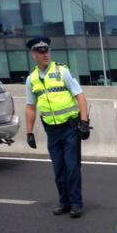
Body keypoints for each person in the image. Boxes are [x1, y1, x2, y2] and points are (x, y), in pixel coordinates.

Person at [25, 37, 90, 219]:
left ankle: (76, 203)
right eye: (41, 51)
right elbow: (30, 107)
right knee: (58, 169)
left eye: (47, 50)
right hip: (51, 131)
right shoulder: (32, 80)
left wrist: (84, 122)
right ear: (33, 55)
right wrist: (29, 132)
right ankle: (64, 202)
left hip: (70, 128)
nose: (45, 54)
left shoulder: (62, 71)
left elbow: (80, 95)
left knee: (72, 167)